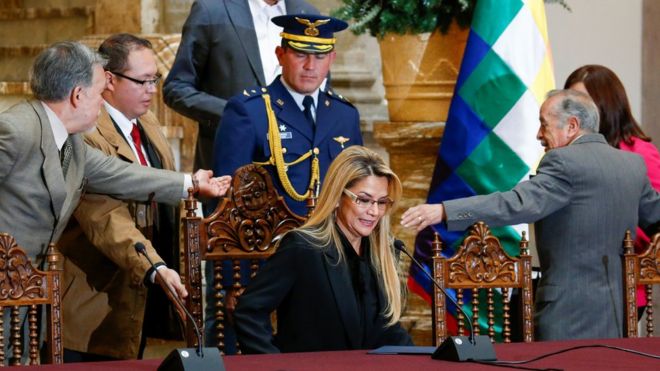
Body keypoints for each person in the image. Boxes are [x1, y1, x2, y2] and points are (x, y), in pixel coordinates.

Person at [0, 41, 230, 357]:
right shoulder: (16, 129)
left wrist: (190, 183)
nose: (101, 103)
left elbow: (119, 174)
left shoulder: (73, 142)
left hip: (28, 291)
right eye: (98, 93)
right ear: (77, 96)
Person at [401, 89, 660, 341]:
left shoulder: (564, 162)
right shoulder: (632, 166)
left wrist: (445, 210)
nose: (538, 134)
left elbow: (515, 203)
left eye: (544, 124)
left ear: (572, 126)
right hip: (617, 313)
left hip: (567, 316)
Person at [56, 34, 184, 362]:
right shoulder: (85, 131)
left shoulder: (148, 121)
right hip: (95, 303)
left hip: (143, 298)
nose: (152, 90)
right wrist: (153, 266)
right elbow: (104, 214)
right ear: (109, 80)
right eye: (142, 81)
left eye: (154, 79)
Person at [234, 146, 413, 353]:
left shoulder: (382, 252)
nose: (374, 212)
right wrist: (275, 365)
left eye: (381, 202)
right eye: (363, 200)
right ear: (338, 197)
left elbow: (386, 329)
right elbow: (249, 312)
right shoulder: (302, 248)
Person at [213, 13, 363, 216]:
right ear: (280, 54)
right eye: (300, 55)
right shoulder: (248, 110)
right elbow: (227, 198)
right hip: (272, 241)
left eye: (320, 56)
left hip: (333, 237)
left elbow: (357, 187)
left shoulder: (345, 114)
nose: (310, 66)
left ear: (331, 59)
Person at [163, 0, 318, 172]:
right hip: (230, 168)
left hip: (298, 171)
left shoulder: (308, 15)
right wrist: (234, 114)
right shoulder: (211, 9)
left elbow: (321, 88)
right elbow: (176, 88)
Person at [564, 65, 660, 318]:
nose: (577, 110)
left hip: (621, 280)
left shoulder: (639, 154)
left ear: (607, 103)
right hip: (573, 282)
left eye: (584, 101)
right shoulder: (567, 154)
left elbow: (653, 218)